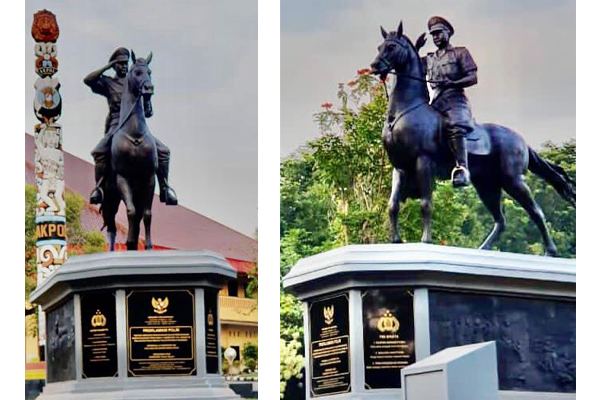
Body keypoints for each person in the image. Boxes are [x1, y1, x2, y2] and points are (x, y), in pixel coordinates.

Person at [84, 47, 178, 205]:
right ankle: (99, 188)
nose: (124, 66)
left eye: (125, 63)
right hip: (116, 124)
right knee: (99, 151)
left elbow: (147, 111)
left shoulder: (135, 80)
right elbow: (88, 80)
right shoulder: (108, 83)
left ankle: (164, 187)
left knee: (164, 151)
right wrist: (106, 67)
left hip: (138, 125)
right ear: (114, 65)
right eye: (120, 63)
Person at [422, 16, 478, 187]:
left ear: (448, 33)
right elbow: (408, 65)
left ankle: (462, 168)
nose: (436, 37)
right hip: (436, 102)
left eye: (439, 33)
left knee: (455, 125)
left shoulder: (460, 53)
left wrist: (454, 83)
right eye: (433, 35)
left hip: (455, 99)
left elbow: (473, 77)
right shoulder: (428, 59)